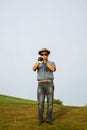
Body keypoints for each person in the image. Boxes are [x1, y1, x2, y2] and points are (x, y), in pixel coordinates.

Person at [32, 48, 56, 125]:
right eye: (42, 54)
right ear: (40, 55)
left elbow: (53, 69)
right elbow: (33, 68)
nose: (43, 56)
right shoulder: (39, 63)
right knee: (40, 103)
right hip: (40, 84)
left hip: (49, 84)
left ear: (48, 55)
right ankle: (40, 120)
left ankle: (49, 119)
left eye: (45, 54)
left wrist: (46, 63)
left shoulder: (52, 63)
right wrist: (39, 62)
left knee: (50, 103)